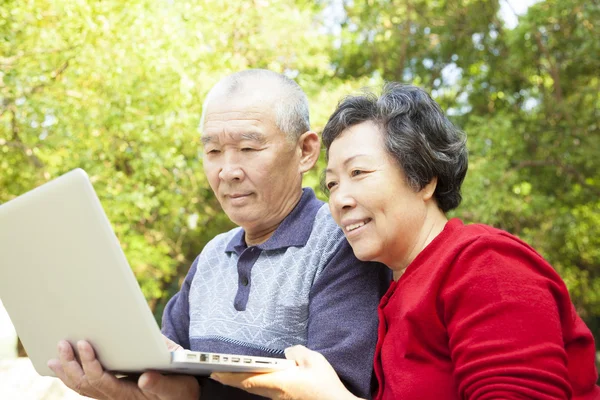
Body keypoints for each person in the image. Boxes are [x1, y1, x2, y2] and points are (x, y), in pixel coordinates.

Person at [212, 83, 600, 400]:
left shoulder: (486, 264)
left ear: (424, 178)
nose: (340, 198)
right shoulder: (393, 293)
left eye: (359, 172)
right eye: (331, 183)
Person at [46, 70, 391, 399]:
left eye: (248, 149)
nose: (227, 171)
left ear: (305, 151)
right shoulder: (213, 255)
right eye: (213, 151)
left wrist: (196, 394)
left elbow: (333, 392)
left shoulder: (342, 242)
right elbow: (164, 369)